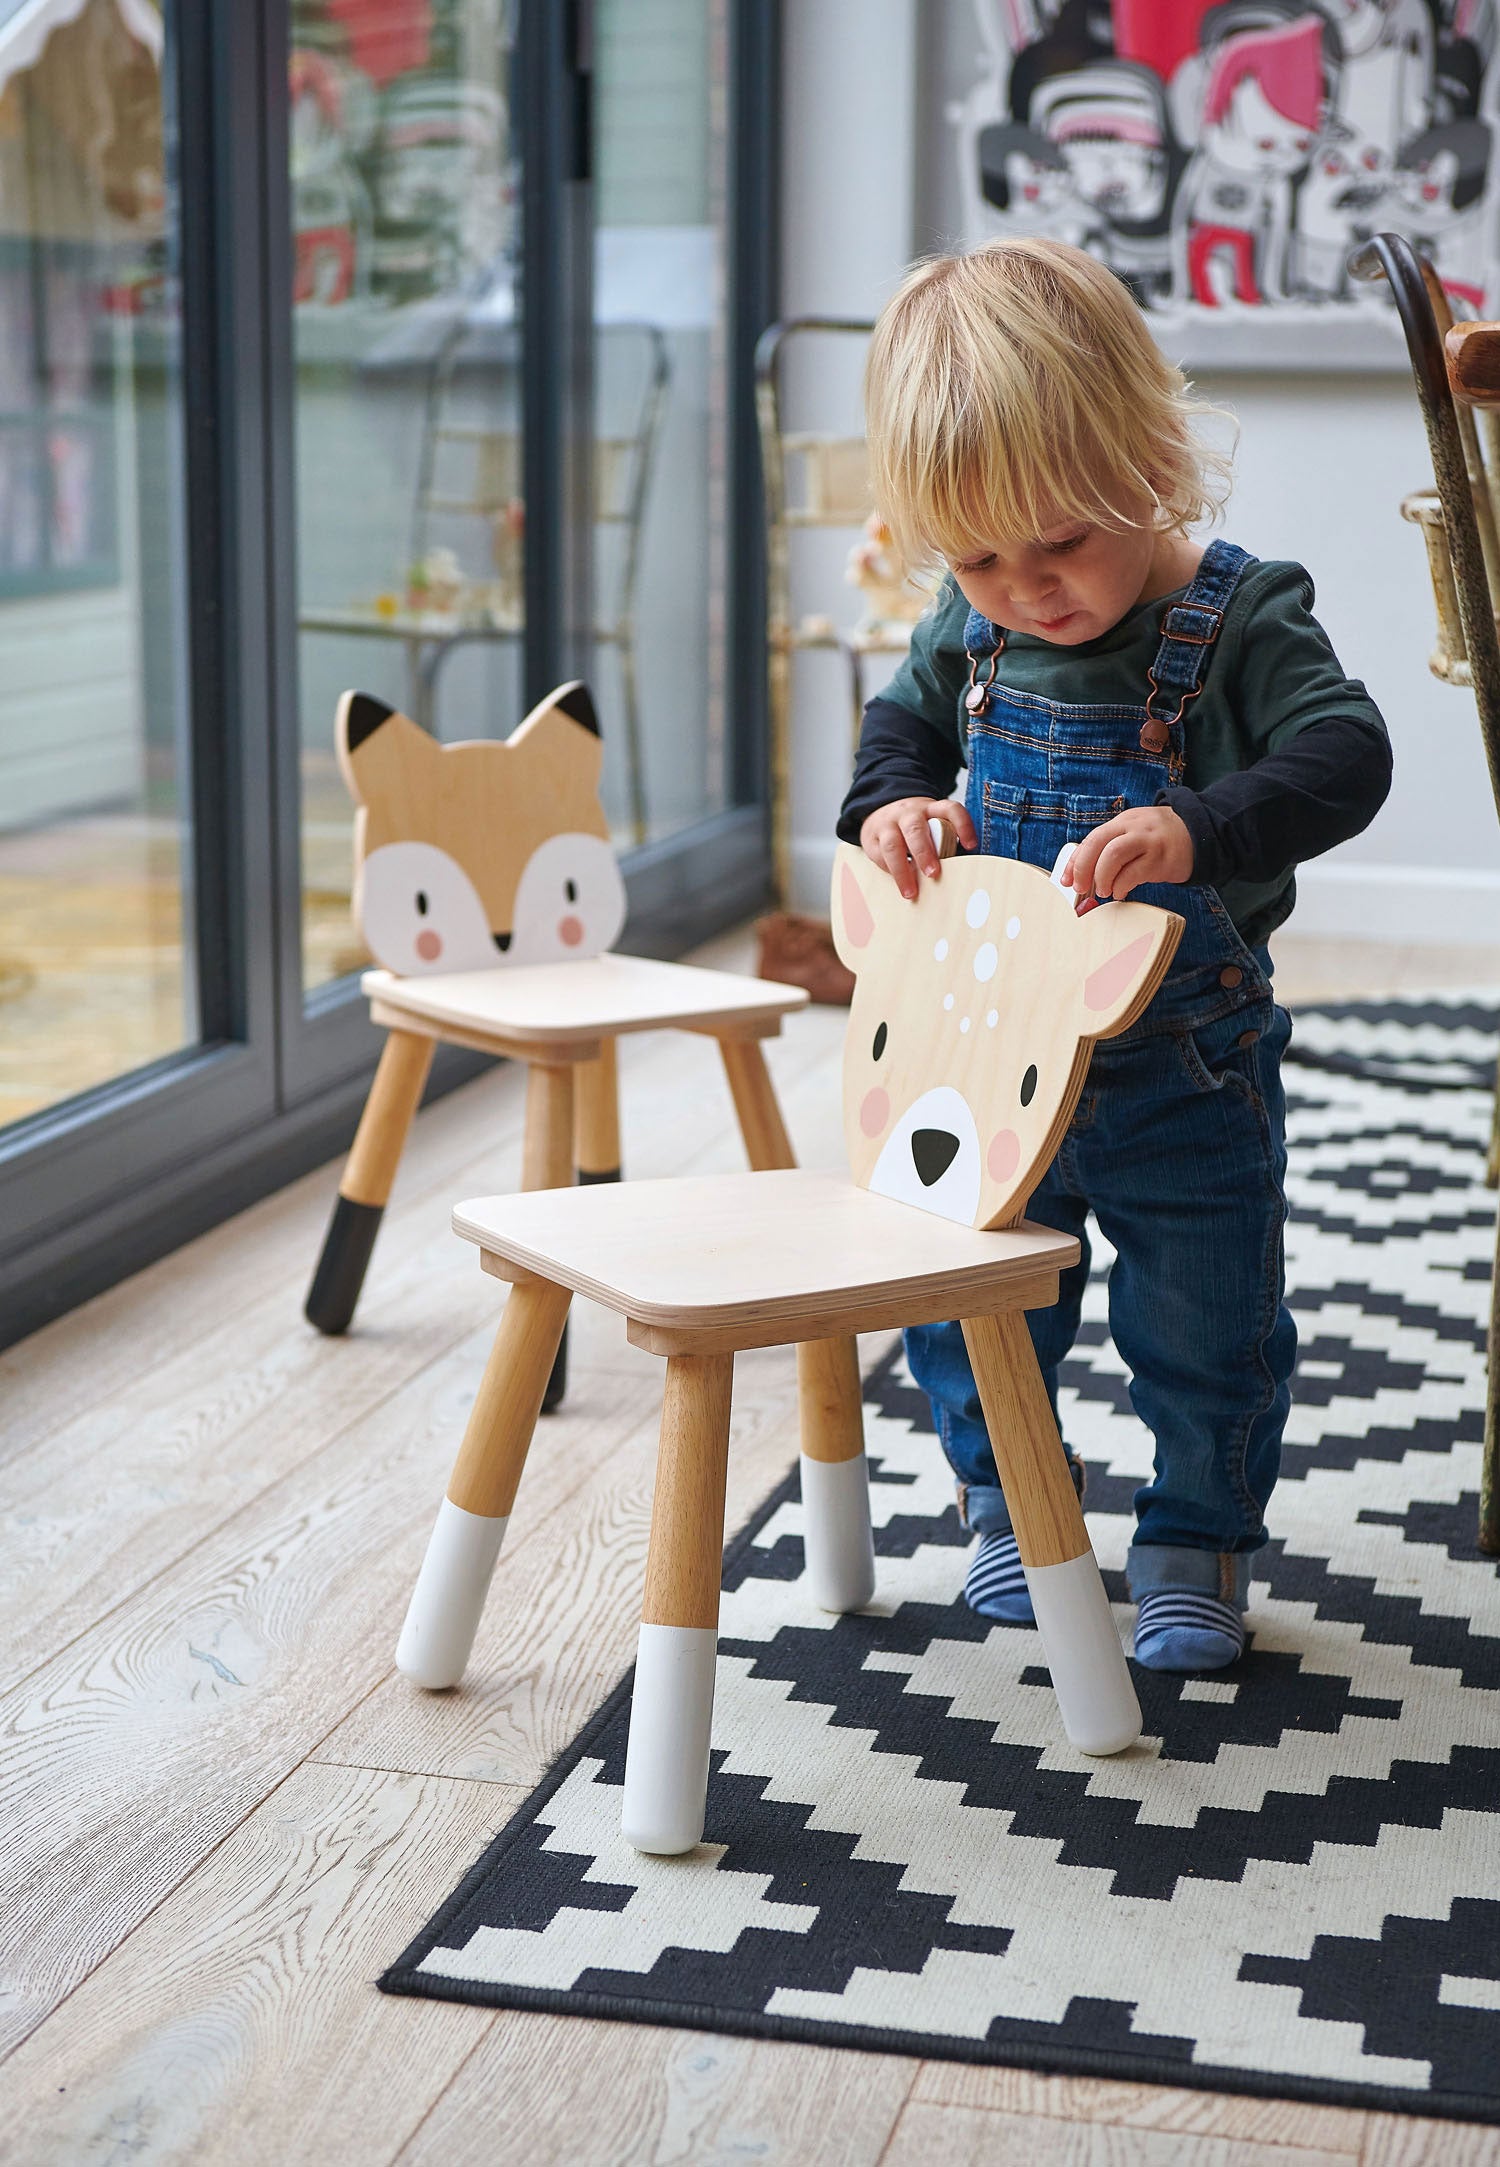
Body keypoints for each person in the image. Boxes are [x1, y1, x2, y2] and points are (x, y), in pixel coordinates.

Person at [840, 237, 1391, 1671]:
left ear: (1148, 459)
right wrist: (892, 804)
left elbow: (1347, 757)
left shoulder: (1238, 613)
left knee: (1206, 1317)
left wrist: (1202, 825)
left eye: (1064, 545)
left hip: (1180, 1068)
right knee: (970, 1307)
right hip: (986, 1060)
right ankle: (1010, 1510)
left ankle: (1193, 1537)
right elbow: (897, 728)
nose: (1025, 592)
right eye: (977, 560)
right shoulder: (975, 623)